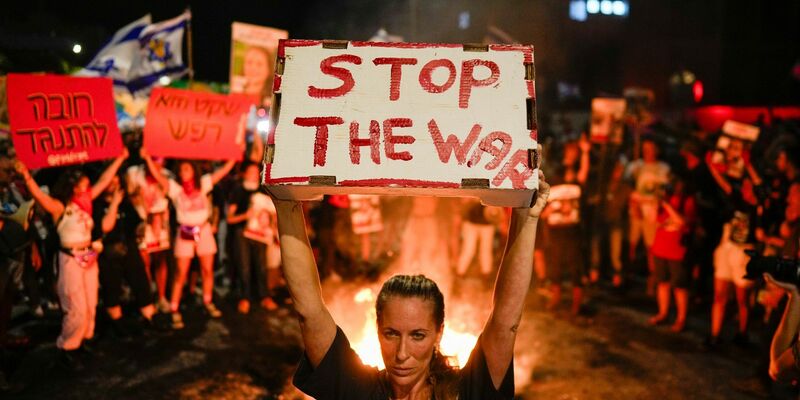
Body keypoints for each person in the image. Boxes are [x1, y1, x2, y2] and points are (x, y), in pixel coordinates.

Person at [273, 172, 549, 400]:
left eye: (417, 335)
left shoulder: (463, 393)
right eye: (391, 334)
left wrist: (527, 216)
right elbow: (309, 312)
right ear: (377, 329)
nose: (402, 354)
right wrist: (285, 204)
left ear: (439, 333)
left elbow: (505, 320)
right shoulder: (358, 391)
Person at [15, 149, 128, 367]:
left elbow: (104, 180)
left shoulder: (87, 203)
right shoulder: (61, 208)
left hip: (89, 256)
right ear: (72, 187)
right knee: (75, 305)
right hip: (70, 259)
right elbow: (40, 196)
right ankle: (68, 347)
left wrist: (119, 159)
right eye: (83, 186)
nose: (87, 189)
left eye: (87, 186)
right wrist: (27, 177)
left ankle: (84, 339)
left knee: (90, 303)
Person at [140, 148, 236, 329]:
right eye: (181, 170)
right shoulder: (175, 189)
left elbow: (222, 172)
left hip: (204, 231)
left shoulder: (204, 183)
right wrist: (147, 159)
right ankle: (174, 308)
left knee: (207, 270)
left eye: (187, 170)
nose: (183, 173)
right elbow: (159, 177)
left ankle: (208, 301)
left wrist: (233, 157)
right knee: (180, 273)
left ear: (194, 171)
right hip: (184, 233)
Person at [93, 175, 156, 334]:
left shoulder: (125, 203)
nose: (114, 184)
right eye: (110, 180)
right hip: (109, 251)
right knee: (111, 286)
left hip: (128, 247)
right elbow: (105, 227)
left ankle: (149, 316)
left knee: (140, 281)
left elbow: (136, 222)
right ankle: (117, 323)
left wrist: (141, 226)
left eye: (116, 180)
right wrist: (114, 203)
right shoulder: (97, 205)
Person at [227, 162, 279, 313]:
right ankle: (244, 298)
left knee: (261, 265)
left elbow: (273, 213)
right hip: (242, 234)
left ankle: (264, 296)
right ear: (244, 173)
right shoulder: (238, 190)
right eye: (250, 172)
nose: (253, 175)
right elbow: (230, 218)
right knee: (244, 266)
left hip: (261, 234)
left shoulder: (264, 190)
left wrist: (273, 226)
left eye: (256, 172)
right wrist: (246, 216)